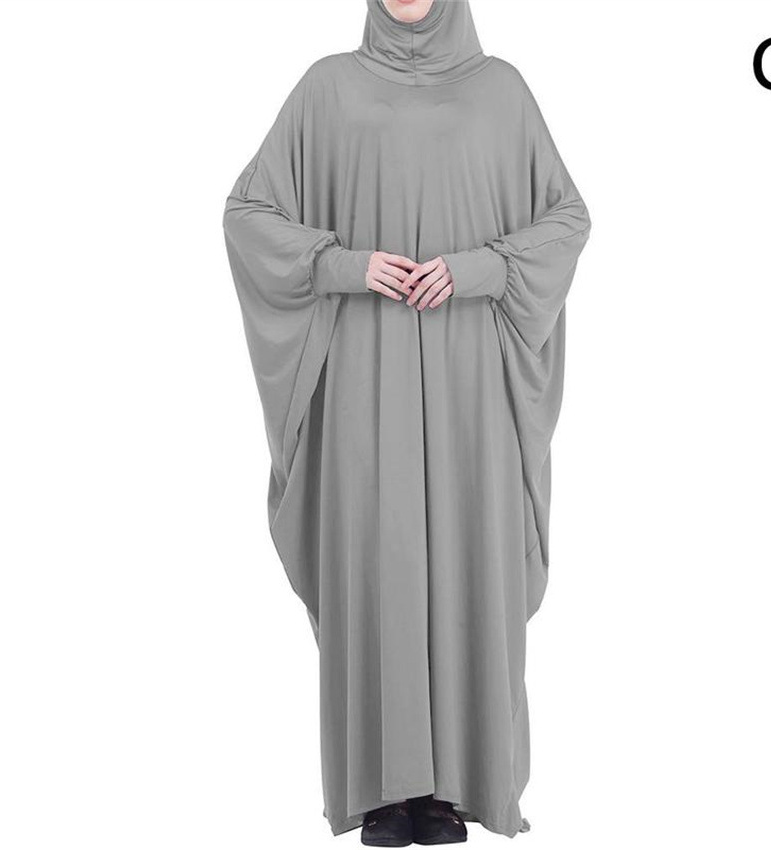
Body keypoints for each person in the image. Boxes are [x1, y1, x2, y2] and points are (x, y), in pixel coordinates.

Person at [222, 0, 591, 844]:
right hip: (364, 372)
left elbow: (567, 219)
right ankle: (387, 790)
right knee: (378, 556)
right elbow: (247, 215)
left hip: (470, 379)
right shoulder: (327, 90)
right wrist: (343, 265)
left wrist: (482, 268)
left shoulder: (501, 92)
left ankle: (455, 786)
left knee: (467, 548)